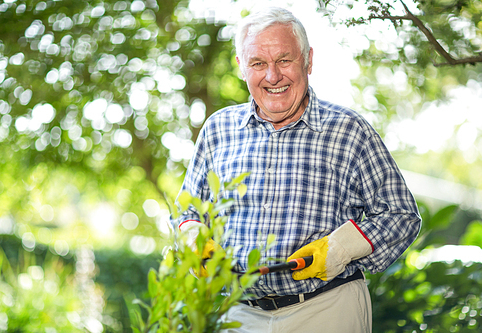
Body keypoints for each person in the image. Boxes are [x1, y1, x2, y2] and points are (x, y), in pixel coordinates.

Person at [173, 7, 422, 333]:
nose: (272, 76)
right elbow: (187, 211)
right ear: (241, 67)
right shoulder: (218, 129)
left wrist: (340, 249)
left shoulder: (349, 130)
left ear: (308, 60)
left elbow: (400, 215)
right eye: (258, 63)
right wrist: (193, 239)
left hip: (325, 308)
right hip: (235, 313)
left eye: (284, 60)